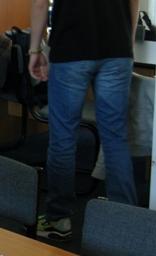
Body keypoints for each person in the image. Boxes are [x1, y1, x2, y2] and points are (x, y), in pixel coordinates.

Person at [28, 0, 139, 242]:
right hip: (117, 48)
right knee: (116, 140)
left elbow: (39, 2)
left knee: (63, 139)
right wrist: (128, 42)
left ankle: (58, 220)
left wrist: (35, 50)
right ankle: (127, 224)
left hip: (71, 48)